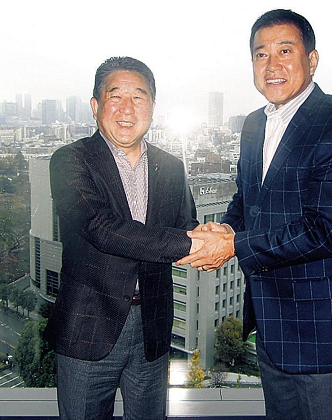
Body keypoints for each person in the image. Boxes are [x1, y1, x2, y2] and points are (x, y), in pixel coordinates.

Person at [177, 9, 332, 420]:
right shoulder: (254, 124)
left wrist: (233, 245)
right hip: (271, 322)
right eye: (261, 54)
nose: (271, 65)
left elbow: (326, 230)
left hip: (323, 327)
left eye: (285, 51)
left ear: (312, 59)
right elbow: (247, 199)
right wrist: (224, 229)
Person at [44, 56, 200, 420]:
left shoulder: (172, 167)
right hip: (88, 326)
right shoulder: (70, 160)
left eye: (138, 97)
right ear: (95, 106)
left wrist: (214, 237)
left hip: (152, 326)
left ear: (153, 107)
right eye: (115, 96)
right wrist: (193, 244)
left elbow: (187, 227)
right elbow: (100, 227)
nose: (127, 108)